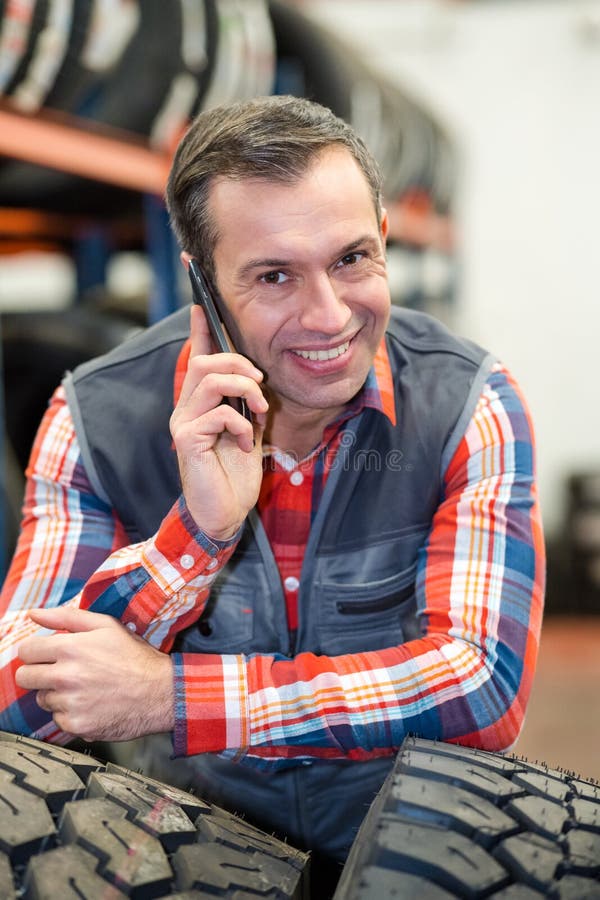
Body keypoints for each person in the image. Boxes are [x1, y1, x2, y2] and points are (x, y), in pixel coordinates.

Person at [0, 95, 544, 872]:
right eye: (275, 275)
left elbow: (482, 687)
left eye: (352, 258)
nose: (329, 315)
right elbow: (15, 701)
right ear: (203, 285)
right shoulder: (94, 419)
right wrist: (196, 535)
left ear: (383, 237)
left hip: (412, 847)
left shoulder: (468, 404)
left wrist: (171, 697)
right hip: (194, 856)